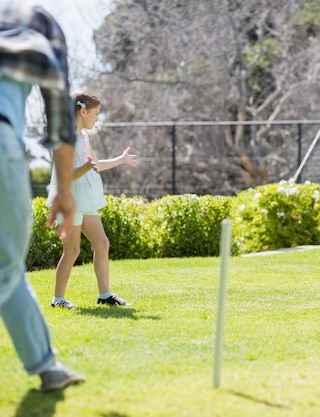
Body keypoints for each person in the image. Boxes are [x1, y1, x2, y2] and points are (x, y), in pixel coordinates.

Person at [0, 1, 85, 391]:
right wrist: (64, 189)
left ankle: (47, 366)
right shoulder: (37, 20)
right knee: (5, 269)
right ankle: (47, 367)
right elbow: (60, 117)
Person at [47, 90, 138, 309]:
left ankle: (105, 295)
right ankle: (58, 299)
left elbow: (95, 165)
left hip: (85, 200)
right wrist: (87, 167)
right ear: (83, 111)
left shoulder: (84, 136)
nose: (97, 119)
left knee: (102, 243)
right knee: (72, 251)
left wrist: (121, 159)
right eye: (95, 114)